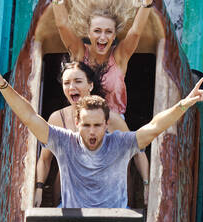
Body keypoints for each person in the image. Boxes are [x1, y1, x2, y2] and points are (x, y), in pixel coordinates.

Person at [0, 57, 203, 211]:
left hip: (114, 220)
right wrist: (2, 85)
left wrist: (184, 104)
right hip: (72, 218)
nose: (92, 131)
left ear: (107, 124)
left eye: (97, 126)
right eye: (86, 125)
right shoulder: (63, 140)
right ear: (76, 122)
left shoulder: (119, 142)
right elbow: (29, 116)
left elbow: (155, 126)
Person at [50, 0, 161, 117]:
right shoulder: (80, 54)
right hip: (83, 122)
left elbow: (135, 31)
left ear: (114, 35)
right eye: (97, 31)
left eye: (108, 32)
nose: (103, 37)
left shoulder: (119, 57)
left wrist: (148, 1)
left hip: (113, 123)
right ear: (89, 33)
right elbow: (62, 25)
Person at [35, 59, 149, 207]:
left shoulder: (111, 119)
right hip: (69, 200)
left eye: (77, 81)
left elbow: (137, 152)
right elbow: (44, 159)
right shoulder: (57, 118)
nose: (72, 87)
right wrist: (39, 188)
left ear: (90, 85)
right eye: (66, 82)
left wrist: (146, 184)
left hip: (109, 201)